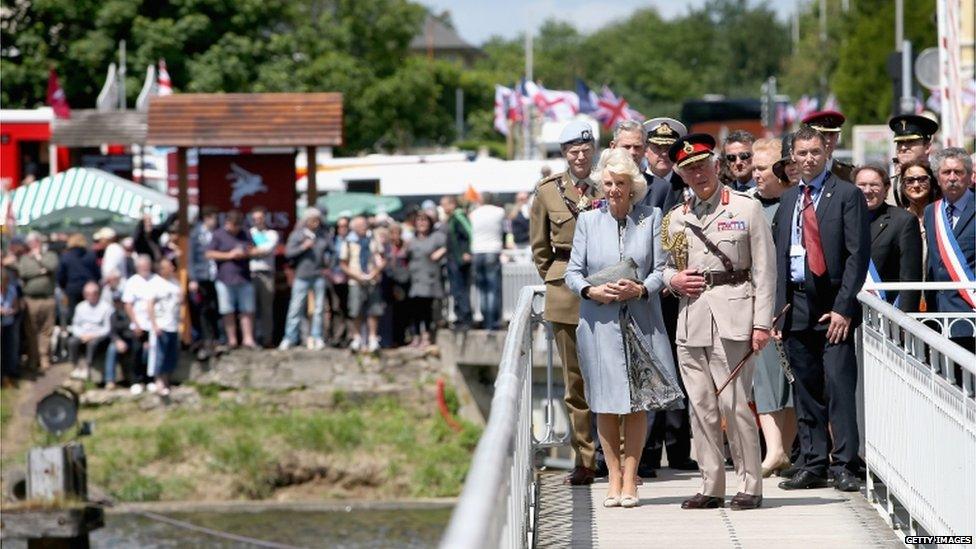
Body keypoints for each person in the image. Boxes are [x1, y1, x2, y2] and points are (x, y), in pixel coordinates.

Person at [662, 133, 776, 511]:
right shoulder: (677, 218)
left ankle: (750, 484)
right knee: (701, 406)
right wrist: (671, 280)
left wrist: (762, 324)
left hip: (735, 315)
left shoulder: (745, 209)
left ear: (716, 165)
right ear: (681, 175)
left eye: (702, 166)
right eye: (689, 169)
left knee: (736, 404)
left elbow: (765, 270)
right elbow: (665, 267)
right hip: (692, 318)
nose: (698, 175)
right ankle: (711, 484)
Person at [565, 148, 681, 509]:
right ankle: (612, 477)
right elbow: (572, 272)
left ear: (634, 186)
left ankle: (631, 478)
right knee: (604, 402)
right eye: (609, 183)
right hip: (598, 320)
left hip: (641, 319)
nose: (614, 189)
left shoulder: (652, 217)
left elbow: (663, 269)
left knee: (637, 405)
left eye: (621, 183)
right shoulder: (588, 221)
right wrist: (591, 290)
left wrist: (642, 288)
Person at [772, 126, 870, 493]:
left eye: (815, 151)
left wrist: (844, 308)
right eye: (802, 152)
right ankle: (813, 463)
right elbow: (779, 256)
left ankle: (844, 464)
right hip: (795, 303)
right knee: (806, 388)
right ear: (792, 157)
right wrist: (777, 310)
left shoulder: (846, 195)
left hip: (833, 304)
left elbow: (857, 256)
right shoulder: (788, 200)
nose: (809, 158)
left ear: (825, 152)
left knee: (839, 385)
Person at [530, 119, 602, 485]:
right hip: (566, 291)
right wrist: (557, 279)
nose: (579, 157)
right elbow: (540, 248)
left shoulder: (608, 183)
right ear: (564, 155)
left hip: (606, 285)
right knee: (575, 382)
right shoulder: (548, 192)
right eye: (573, 151)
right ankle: (585, 459)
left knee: (610, 376)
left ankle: (618, 456)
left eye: (585, 151)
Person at [637, 116, 697, 475]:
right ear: (646, 150)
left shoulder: (687, 184)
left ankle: (678, 448)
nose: (662, 155)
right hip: (647, 290)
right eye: (656, 148)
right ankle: (646, 451)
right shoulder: (636, 186)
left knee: (682, 366)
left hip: (681, 291)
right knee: (649, 367)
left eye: (667, 149)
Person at [748, 137, 797, 477]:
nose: (755, 175)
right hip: (757, 303)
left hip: (792, 303)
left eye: (762, 168)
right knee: (763, 379)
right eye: (753, 168)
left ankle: (784, 450)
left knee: (791, 380)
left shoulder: (796, 203)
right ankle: (774, 449)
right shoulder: (746, 204)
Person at [922, 148, 975, 352]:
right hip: (938, 315)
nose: (952, 178)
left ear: (969, 176)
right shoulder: (931, 211)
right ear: (937, 178)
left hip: (969, 313)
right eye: (946, 173)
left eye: (958, 172)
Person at [854, 165, 923, 312]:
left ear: (886, 189)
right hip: (848, 313)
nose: (867, 190)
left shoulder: (903, 221)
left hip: (887, 312)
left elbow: (910, 276)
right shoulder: (842, 219)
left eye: (874, 185)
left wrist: (905, 320)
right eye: (861, 185)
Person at [206, 209, 259, 349]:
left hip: (244, 277)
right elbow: (209, 253)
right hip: (224, 278)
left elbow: (255, 249)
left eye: (238, 226)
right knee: (227, 310)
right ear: (227, 223)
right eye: (233, 226)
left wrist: (245, 253)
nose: (235, 229)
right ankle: (232, 340)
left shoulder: (245, 233)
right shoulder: (218, 234)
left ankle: (248, 339)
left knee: (247, 310)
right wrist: (229, 255)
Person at [280, 208, 331, 350]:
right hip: (301, 276)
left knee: (319, 309)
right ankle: (290, 337)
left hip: (318, 276)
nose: (316, 223)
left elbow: (332, 252)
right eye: (313, 220)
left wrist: (328, 265)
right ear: (306, 221)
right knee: (295, 308)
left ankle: (317, 336)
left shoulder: (323, 235)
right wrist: (303, 247)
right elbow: (288, 253)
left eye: (317, 220)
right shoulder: (297, 235)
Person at [340, 216, 387, 352]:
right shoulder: (348, 241)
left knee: (374, 309)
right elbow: (343, 263)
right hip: (355, 280)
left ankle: (372, 338)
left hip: (372, 279)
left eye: (364, 225)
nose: (363, 227)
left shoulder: (373, 239)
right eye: (360, 225)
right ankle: (357, 338)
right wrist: (356, 275)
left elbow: (383, 259)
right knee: (356, 309)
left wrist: (375, 272)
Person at [17, 232, 59, 371]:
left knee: (47, 330)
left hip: (48, 298)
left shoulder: (50, 255)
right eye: (30, 243)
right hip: (31, 300)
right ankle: (33, 358)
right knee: (31, 331)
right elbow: (23, 273)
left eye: (35, 242)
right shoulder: (24, 258)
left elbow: (52, 267)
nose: (33, 245)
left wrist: (39, 258)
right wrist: (41, 271)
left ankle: (44, 357)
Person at [122, 255, 163, 394]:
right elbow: (128, 304)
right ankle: (135, 380)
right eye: (141, 266)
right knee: (137, 353)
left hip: (155, 325)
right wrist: (136, 323)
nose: (144, 269)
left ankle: (149, 379)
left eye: (146, 266)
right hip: (139, 324)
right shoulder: (132, 282)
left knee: (152, 354)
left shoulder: (157, 280)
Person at [406, 211, 447, 348]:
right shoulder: (412, 239)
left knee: (427, 309)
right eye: (419, 220)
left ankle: (427, 336)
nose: (422, 223)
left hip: (430, 278)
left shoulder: (437, 237)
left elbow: (451, 243)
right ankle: (416, 336)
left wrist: (441, 252)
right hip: (415, 278)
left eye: (425, 220)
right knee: (415, 309)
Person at [469, 192, 506, 331]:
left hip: (477, 251)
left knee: (482, 289)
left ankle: (486, 321)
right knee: (493, 288)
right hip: (493, 250)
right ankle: (493, 322)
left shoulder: (474, 213)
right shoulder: (499, 212)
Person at [147, 258, 182, 396]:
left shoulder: (176, 283)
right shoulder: (155, 283)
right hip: (161, 325)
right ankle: (159, 381)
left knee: (170, 355)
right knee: (159, 355)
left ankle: (167, 380)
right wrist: (154, 324)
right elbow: (149, 305)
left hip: (173, 325)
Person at [188, 207, 220, 352]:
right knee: (203, 310)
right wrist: (193, 278)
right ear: (207, 218)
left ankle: (215, 339)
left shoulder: (217, 233)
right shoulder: (195, 234)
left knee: (215, 308)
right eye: (214, 218)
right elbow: (190, 258)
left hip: (216, 277)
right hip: (201, 277)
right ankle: (205, 340)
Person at [67, 281, 113, 381]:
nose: (91, 296)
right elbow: (75, 325)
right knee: (72, 342)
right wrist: (82, 335)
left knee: (93, 344)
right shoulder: (80, 307)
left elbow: (107, 328)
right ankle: (76, 367)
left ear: (98, 294)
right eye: (88, 294)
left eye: (93, 294)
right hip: (82, 335)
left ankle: (88, 367)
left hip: (98, 336)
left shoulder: (106, 307)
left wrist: (93, 336)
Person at [641, 117, 688, 212]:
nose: (664, 154)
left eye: (669, 148)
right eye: (658, 147)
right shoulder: (635, 183)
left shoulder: (687, 185)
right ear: (645, 150)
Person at [440, 195, 473, 330]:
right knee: (456, 290)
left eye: (444, 204)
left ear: (452, 204)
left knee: (461, 290)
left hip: (459, 260)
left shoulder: (459, 217)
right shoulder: (452, 218)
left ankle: (465, 319)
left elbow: (469, 233)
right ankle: (460, 318)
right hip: (452, 259)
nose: (442, 208)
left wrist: (466, 252)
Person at [249, 206, 279, 348]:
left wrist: (252, 251)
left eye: (260, 218)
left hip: (267, 274)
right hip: (251, 275)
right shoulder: (248, 233)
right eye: (255, 219)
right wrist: (253, 251)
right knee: (251, 309)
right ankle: (253, 339)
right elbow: (245, 250)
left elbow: (266, 250)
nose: (258, 221)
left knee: (266, 309)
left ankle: (267, 339)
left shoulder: (272, 234)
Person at [889, 114, 940, 193]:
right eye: (899, 142)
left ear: (927, 147)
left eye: (910, 142)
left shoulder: (941, 181)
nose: (903, 148)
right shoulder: (888, 187)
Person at [801, 110, 855, 182]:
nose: (828, 140)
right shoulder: (796, 172)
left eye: (832, 134)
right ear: (808, 137)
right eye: (822, 134)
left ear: (837, 137)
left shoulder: (849, 174)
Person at [57, 233, 100, 323]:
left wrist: (64, 288)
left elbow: (61, 276)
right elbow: (97, 273)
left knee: (74, 313)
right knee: (90, 312)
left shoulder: (66, 256)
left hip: (73, 289)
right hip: (89, 289)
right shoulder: (90, 255)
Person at [326, 216, 352, 346]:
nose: (343, 229)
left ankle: (349, 336)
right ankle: (336, 336)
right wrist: (331, 274)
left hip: (350, 279)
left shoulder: (352, 241)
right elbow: (327, 260)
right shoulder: (332, 241)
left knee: (350, 308)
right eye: (340, 226)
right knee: (336, 308)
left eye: (345, 226)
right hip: (335, 279)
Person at [1, 267, 22, 387]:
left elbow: (17, 307)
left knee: (8, 350)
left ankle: (8, 373)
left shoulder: (12, 290)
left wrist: (11, 311)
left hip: (8, 323)